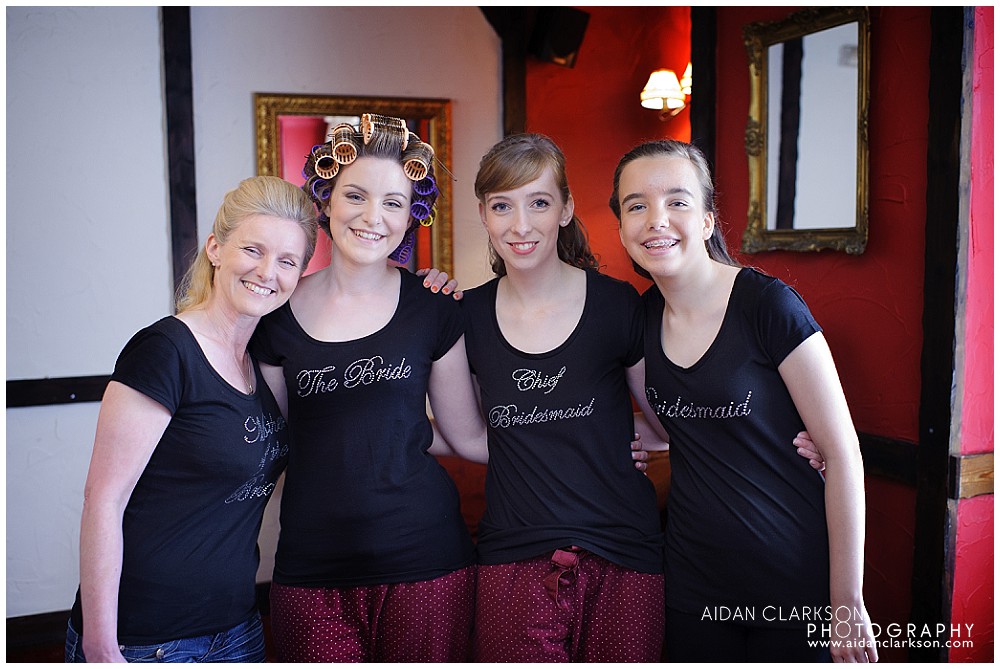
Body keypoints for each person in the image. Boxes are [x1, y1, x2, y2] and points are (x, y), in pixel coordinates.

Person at [427, 134, 825, 662]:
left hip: (626, 553)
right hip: (513, 554)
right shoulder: (463, 314)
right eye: (502, 206)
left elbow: (667, 419)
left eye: (539, 202)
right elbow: (470, 434)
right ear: (482, 214)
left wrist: (794, 442)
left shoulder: (621, 305)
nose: (520, 225)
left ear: (566, 209)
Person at [609, 139, 877, 662]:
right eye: (636, 205)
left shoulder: (768, 305)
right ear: (621, 227)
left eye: (677, 201)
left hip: (791, 576)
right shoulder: (640, 320)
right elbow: (667, 430)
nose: (656, 219)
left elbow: (843, 453)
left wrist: (846, 602)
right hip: (693, 581)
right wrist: (611, 440)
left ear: (708, 220)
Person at [250, 114, 489, 663]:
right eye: (355, 195)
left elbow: (469, 437)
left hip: (427, 562)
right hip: (311, 568)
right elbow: (269, 443)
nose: (372, 217)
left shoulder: (435, 307)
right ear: (327, 199)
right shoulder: (274, 316)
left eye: (393, 202)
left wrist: (594, 447)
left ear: (412, 215)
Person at [66, 176, 318, 662]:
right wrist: (101, 644)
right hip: (147, 639)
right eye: (253, 249)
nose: (267, 271)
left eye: (287, 261)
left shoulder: (262, 360)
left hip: (237, 628)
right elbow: (103, 500)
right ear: (215, 248)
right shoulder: (166, 351)